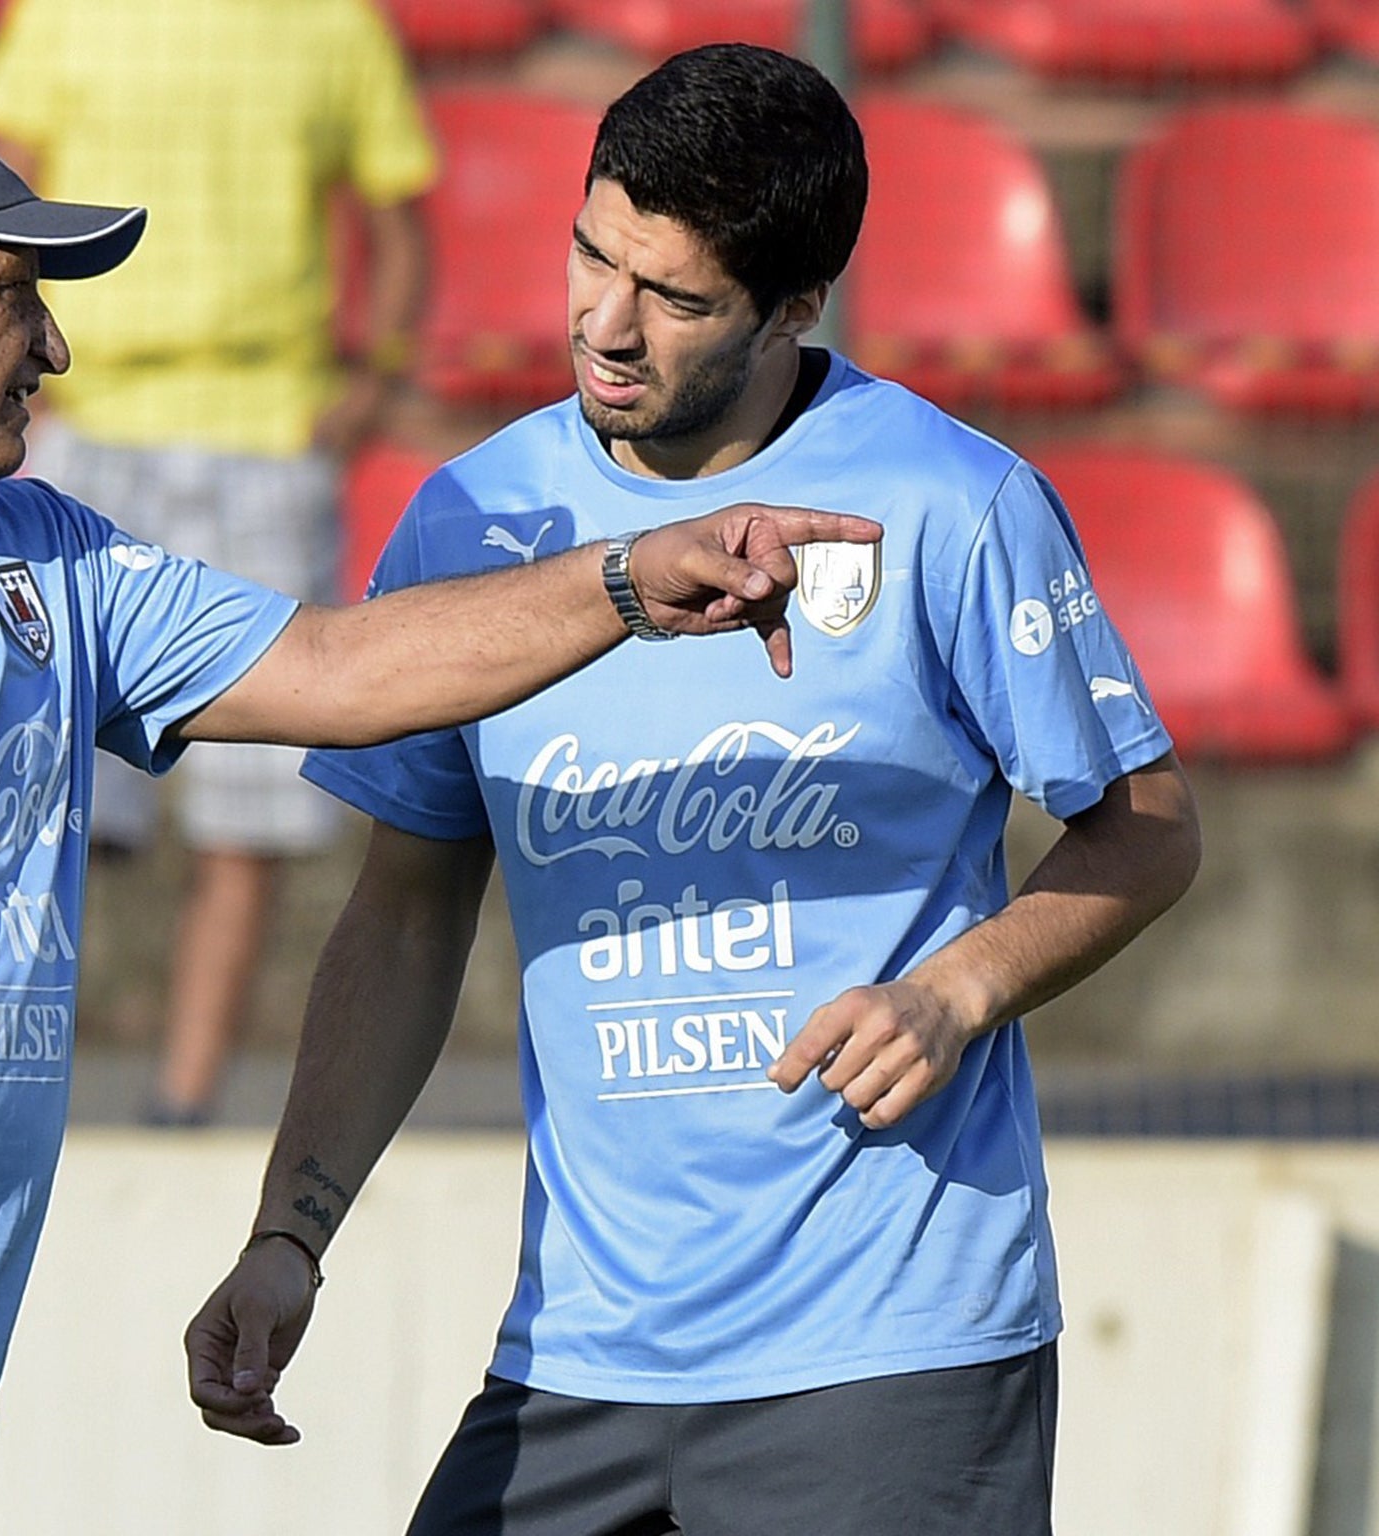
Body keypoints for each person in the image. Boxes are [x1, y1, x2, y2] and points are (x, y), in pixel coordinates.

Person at [0, 104, 877, 1534]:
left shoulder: (43, 554)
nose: (55, 345)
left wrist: (630, 581)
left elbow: (338, 668)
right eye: (16, 295)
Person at [186, 44, 1202, 1536]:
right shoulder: (474, 516)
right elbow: (405, 912)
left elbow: (1152, 829)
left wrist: (955, 993)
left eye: (673, 297)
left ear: (795, 306)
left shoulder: (951, 502)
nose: (606, 325)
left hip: (888, 1357)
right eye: (593, 256)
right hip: (575, 1361)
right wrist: (292, 1234)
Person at [0, 0, 436, 1124]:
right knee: (35, 790)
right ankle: (28, 1083)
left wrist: (373, 376)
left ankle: (179, 1092)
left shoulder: (325, 25)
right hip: (95, 420)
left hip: (240, 427)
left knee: (240, 812)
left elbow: (401, 223)